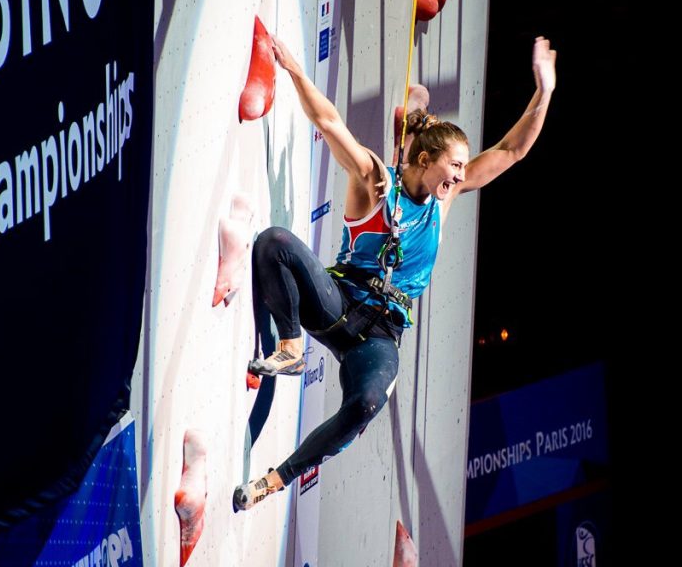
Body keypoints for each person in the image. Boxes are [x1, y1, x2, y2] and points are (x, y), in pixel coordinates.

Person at [233, 36, 557, 511]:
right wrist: (297, 72)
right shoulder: (372, 179)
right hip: (338, 302)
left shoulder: (443, 202)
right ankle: (290, 348)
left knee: (366, 401)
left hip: (381, 336)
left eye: (464, 168)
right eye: (455, 165)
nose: (461, 175)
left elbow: (510, 151)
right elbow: (329, 122)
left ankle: (277, 479)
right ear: (425, 160)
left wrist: (544, 92)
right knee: (274, 243)